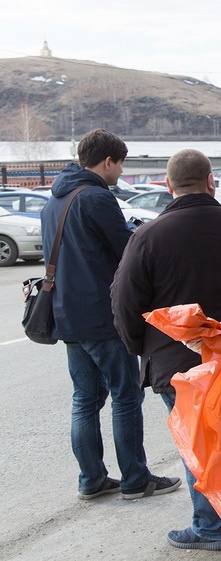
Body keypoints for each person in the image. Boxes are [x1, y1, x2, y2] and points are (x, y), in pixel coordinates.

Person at [111, 149, 221, 551]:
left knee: (196, 445)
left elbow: (125, 302)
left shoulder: (148, 236)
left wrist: (141, 349)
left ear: (169, 186)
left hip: (175, 363)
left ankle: (212, 526)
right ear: (211, 182)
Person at [41, 128, 180, 501]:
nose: (120, 172)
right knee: (125, 395)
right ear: (107, 161)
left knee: (85, 398)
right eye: (119, 165)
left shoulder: (53, 200)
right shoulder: (96, 198)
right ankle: (136, 479)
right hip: (102, 317)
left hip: (66, 316)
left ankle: (91, 479)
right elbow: (126, 251)